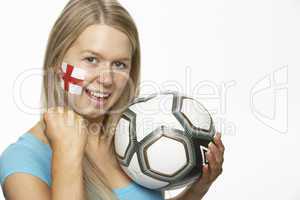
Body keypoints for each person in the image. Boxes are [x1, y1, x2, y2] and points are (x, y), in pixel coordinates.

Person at [0, 0, 225, 199]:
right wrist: (67, 152)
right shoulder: (21, 162)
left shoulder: (133, 137)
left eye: (119, 64)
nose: (107, 79)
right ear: (57, 64)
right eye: (91, 59)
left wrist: (196, 190)